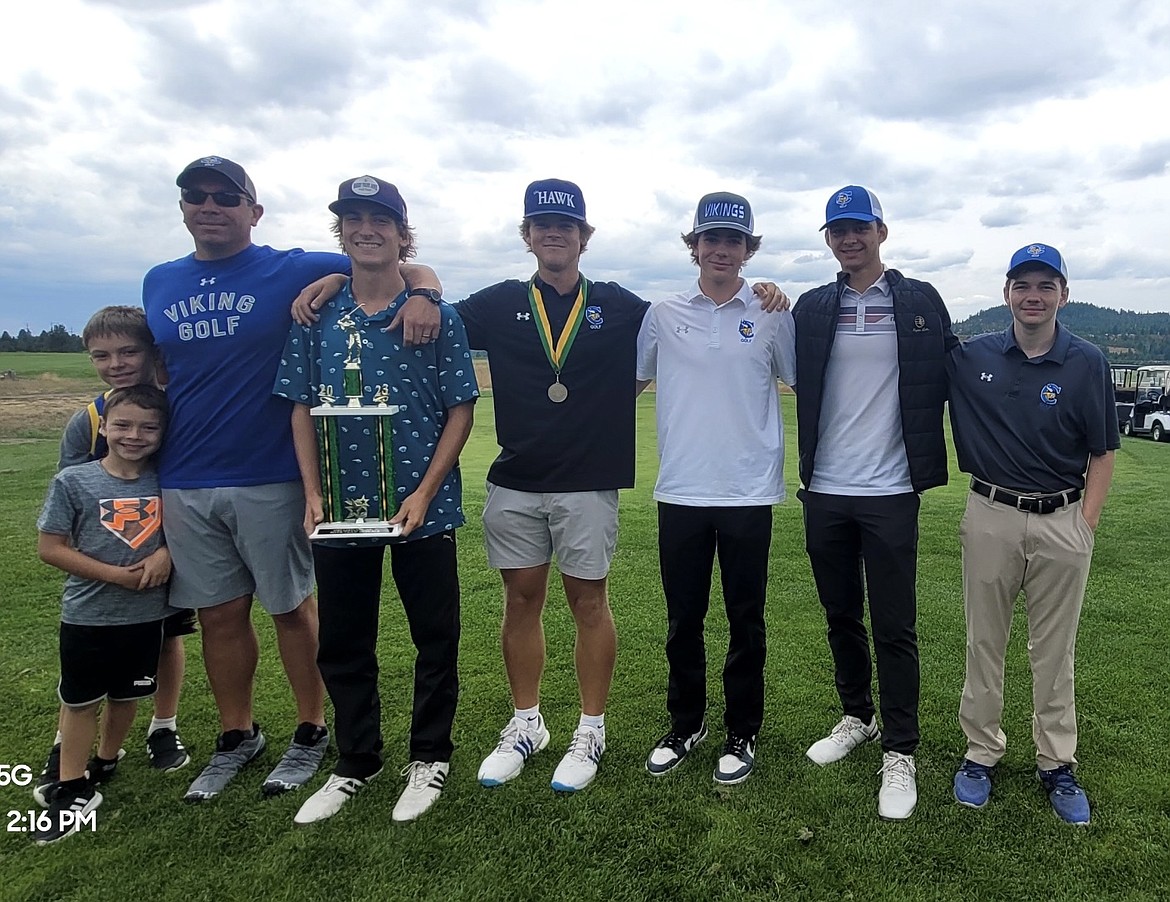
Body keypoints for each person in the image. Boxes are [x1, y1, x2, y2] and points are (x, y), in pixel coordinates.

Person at [143, 156, 442, 802]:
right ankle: (236, 735)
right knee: (219, 615)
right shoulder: (158, 282)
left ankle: (311, 731)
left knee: (289, 609)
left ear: (254, 210)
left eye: (226, 197)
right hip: (187, 475)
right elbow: (154, 374)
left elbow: (395, 262)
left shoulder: (292, 268)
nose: (210, 206)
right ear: (184, 209)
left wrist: (424, 292)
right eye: (197, 197)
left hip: (272, 471)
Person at [276, 176, 478, 824]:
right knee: (343, 641)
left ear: (401, 233)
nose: (367, 229)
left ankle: (430, 757)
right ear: (341, 232)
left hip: (422, 509)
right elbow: (302, 408)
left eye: (380, 220)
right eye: (353, 219)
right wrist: (311, 493)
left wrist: (424, 491)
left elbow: (460, 408)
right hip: (340, 506)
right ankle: (356, 761)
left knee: (435, 637)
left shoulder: (437, 313)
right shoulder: (316, 315)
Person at [454, 179, 650, 793]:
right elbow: (425, 306)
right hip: (516, 479)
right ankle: (526, 722)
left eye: (566, 224)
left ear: (584, 237)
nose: (554, 232)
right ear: (527, 236)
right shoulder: (498, 302)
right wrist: (410, 280)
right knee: (520, 601)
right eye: (541, 224)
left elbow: (687, 324)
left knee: (589, 602)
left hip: (588, 483)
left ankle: (590, 728)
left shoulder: (618, 304)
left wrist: (766, 291)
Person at [793, 185, 956, 820]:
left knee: (895, 625)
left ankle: (902, 750)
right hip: (826, 490)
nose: (849, 238)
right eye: (838, 230)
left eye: (860, 227)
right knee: (841, 616)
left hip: (891, 490)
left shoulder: (917, 300)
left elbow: (956, 372)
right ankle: (856, 716)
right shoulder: (811, 305)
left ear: (881, 232)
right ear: (829, 239)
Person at [947, 243, 1117, 825]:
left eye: (1046, 286)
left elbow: (1102, 452)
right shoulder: (973, 357)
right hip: (990, 512)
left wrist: (1084, 526)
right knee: (983, 642)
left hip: (1061, 519)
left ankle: (1056, 762)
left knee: (1054, 650)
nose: (1034, 296)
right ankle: (981, 751)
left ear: (1063, 295)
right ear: (1006, 293)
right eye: (1023, 285)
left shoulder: (1087, 360)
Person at [636, 192, 796, 785]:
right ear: (694, 246)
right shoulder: (663, 312)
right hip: (681, 489)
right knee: (684, 618)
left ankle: (741, 731)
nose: (721, 249)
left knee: (745, 618)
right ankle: (684, 725)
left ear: (748, 249)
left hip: (750, 491)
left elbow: (804, 381)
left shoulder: (774, 311)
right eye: (711, 239)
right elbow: (631, 382)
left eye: (734, 240)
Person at [32, 308, 194, 808]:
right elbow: (73, 496)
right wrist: (104, 567)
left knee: (168, 637)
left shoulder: (177, 407)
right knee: (94, 664)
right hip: (106, 569)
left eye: (128, 352)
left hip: (168, 555)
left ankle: (162, 727)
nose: (116, 364)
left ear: (152, 351)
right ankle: (72, 749)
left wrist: (169, 548)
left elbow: (189, 488)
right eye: (101, 356)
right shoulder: (90, 419)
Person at [33, 385, 175, 843]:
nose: (134, 435)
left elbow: (186, 531)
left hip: (146, 616)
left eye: (149, 427)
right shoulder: (73, 481)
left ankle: (106, 760)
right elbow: (50, 548)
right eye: (123, 425)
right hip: (88, 615)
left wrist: (167, 554)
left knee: (126, 695)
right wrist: (112, 576)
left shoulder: (167, 482)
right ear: (104, 427)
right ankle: (72, 786)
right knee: (80, 701)